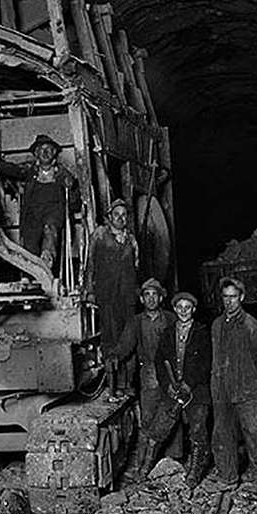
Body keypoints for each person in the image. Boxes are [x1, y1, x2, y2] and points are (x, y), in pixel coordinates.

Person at [136, 290, 212, 486]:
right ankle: (144, 469)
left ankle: (194, 473)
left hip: (196, 391)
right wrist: (167, 385)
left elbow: (206, 362)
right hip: (173, 390)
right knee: (158, 429)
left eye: (188, 308)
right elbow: (160, 362)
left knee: (197, 431)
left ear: (193, 310)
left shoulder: (202, 332)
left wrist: (190, 382)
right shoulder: (168, 333)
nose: (183, 311)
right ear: (175, 309)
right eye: (180, 307)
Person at [210, 277, 257, 494]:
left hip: (248, 390)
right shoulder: (217, 325)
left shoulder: (252, 326)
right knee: (223, 434)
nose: (229, 301)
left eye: (233, 297)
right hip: (222, 391)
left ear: (242, 297)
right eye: (226, 297)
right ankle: (228, 477)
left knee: (255, 433)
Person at [0, 134, 78, 268]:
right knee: (30, 240)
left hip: (53, 213)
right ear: (36, 153)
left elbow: (75, 200)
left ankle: (47, 261)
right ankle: (31, 272)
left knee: (50, 229)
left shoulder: (62, 174)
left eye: (49, 149)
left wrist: (71, 188)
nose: (45, 152)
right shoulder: (30, 171)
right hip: (32, 214)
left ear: (54, 152)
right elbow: (10, 169)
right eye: (41, 149)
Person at [84, 198, 139, 393]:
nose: (120, 218)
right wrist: (89, 291)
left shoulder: (132, 240)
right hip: (106, 295)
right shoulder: (99, 235)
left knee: (129, 336)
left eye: (124, 215)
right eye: (116, 214)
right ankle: (111, 385)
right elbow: (90, 264)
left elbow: (136, 268)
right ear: (109, 217)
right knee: (109, 337)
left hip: (127, 296)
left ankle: (126, 383)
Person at [106, 278, 175, 411]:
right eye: (147, 295)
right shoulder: (135, 322)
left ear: (160, 298)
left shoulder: (171, 319)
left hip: (170, 373)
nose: (151, 299)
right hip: (149, 373)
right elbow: (125, 344)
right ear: (142, 299)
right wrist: (115, 355)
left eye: (154, 294)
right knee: (149, 414)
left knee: (171, 416)